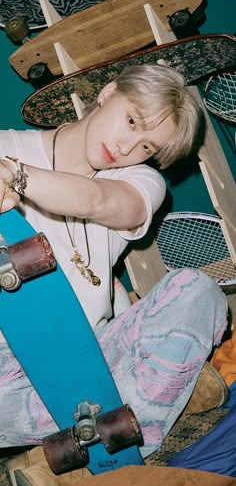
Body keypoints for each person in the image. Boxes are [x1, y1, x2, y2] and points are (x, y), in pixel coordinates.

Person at [0, 64, 228, 459]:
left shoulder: (142, 182)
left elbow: (98, 201)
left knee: (198, 291)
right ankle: (114, 430)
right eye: (131, 120)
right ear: (107, 93)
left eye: (146, 147)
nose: (127, 147)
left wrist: (16, 177)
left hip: (90, 357)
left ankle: (97, 448)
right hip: (9, 372)